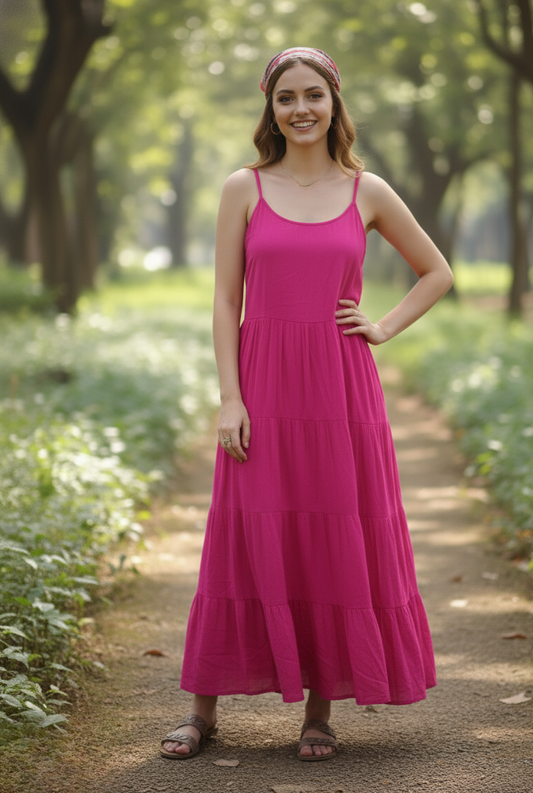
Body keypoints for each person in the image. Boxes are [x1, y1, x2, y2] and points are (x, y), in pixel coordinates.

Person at [160, 47, 453, 762]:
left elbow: (437, 272)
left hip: (341, 395)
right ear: (270, 107)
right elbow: (227, 300)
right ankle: (202, 710)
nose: (300, 109)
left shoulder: (368, 191)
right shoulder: (244, 188)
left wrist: (381, 325)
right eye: (286, 97)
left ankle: (320, 715)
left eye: (313, 95)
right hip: (263, 387)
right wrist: (231, 398)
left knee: (331, 538)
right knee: (239, 537)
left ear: (334, 104)